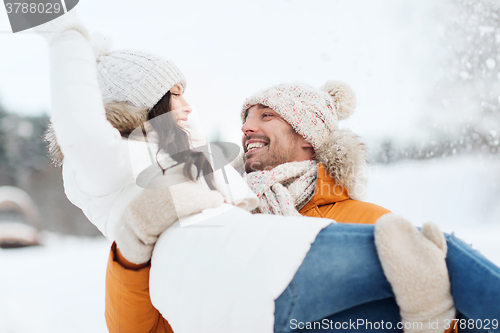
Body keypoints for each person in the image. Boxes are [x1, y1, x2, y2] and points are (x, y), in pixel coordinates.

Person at [38, 14, 500, 333]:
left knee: (433, 259)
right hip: (268, 284)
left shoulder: (364, 217)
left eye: (266, 116)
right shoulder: (208, 198)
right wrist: (130, 252)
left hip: (285, 275)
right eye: (245, 116)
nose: (246, 126)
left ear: (307, 137)